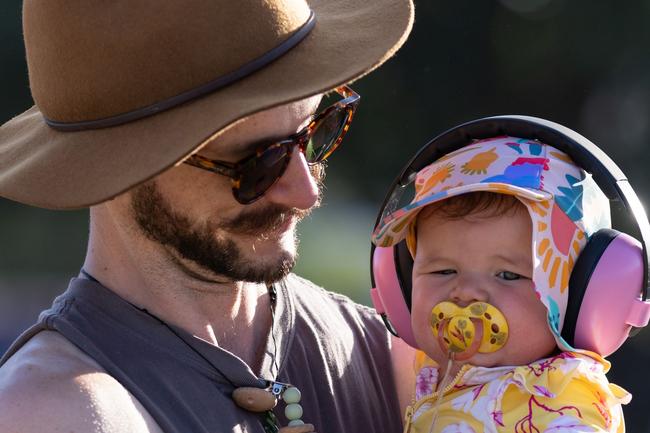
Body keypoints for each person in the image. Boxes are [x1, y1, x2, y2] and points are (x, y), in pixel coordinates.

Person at [0, 1, 415, 432]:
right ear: (113, 167)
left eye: (316, 132)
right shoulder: (55, 413)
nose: (305, 192)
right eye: (259, 162)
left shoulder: (398, 356)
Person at [372, 135, 634, 432]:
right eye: (443, 271)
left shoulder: (566, 404)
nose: (466, 292)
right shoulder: (424, 371)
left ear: (576, 299)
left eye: (508, 275)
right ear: (403, 283)